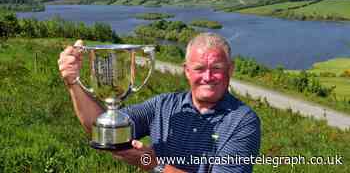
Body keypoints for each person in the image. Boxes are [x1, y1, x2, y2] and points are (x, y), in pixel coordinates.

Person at [58, 32, 261, 173]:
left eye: (216, 68)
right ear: (186, 71)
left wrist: (154, 164)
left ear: (230, 69)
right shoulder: (162, 106)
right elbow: (102, 129)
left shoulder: (243, 121)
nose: (208, 77)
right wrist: (73, 83)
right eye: (199, 68)